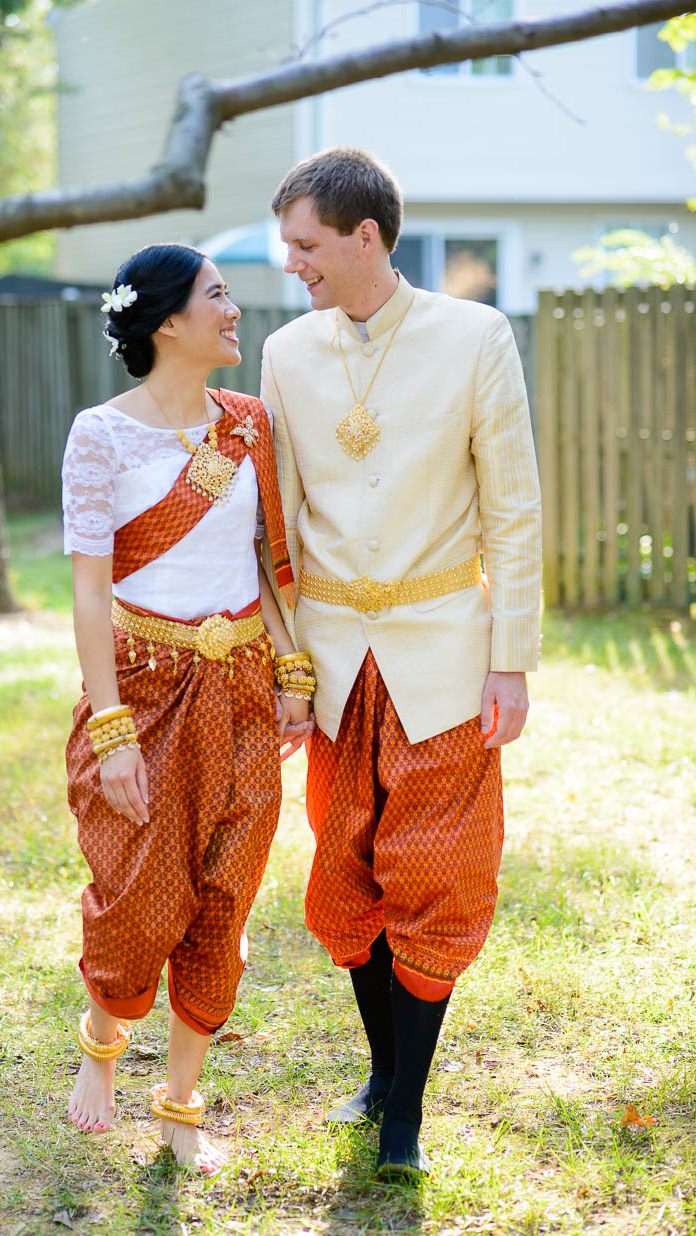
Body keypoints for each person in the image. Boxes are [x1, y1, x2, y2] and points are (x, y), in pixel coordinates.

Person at [259, 148, 542, 1179]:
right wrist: (288, 669)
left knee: (436, 878)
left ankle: (405, 1120)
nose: (291, 263)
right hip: (334, 666)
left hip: (444, 658)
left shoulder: (476, 336)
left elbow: (513, 507)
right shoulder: (288, 352)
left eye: (306, 244)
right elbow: (277, 527)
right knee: (345, 880)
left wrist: (511, 659)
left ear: (364, 236)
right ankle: (383, 1075)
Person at [61, 243, 313, 1173]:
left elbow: (263, 559)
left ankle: (180, 1103)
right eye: (218, 296)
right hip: (146, 685)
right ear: (169, 323)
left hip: (242, 689)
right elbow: (89, 592)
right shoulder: (102, 433)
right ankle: (100, 1045)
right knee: (135, 893)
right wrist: (112, 727)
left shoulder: (247, 424)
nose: (235, 309)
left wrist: (289, 672)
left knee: (223, 896)